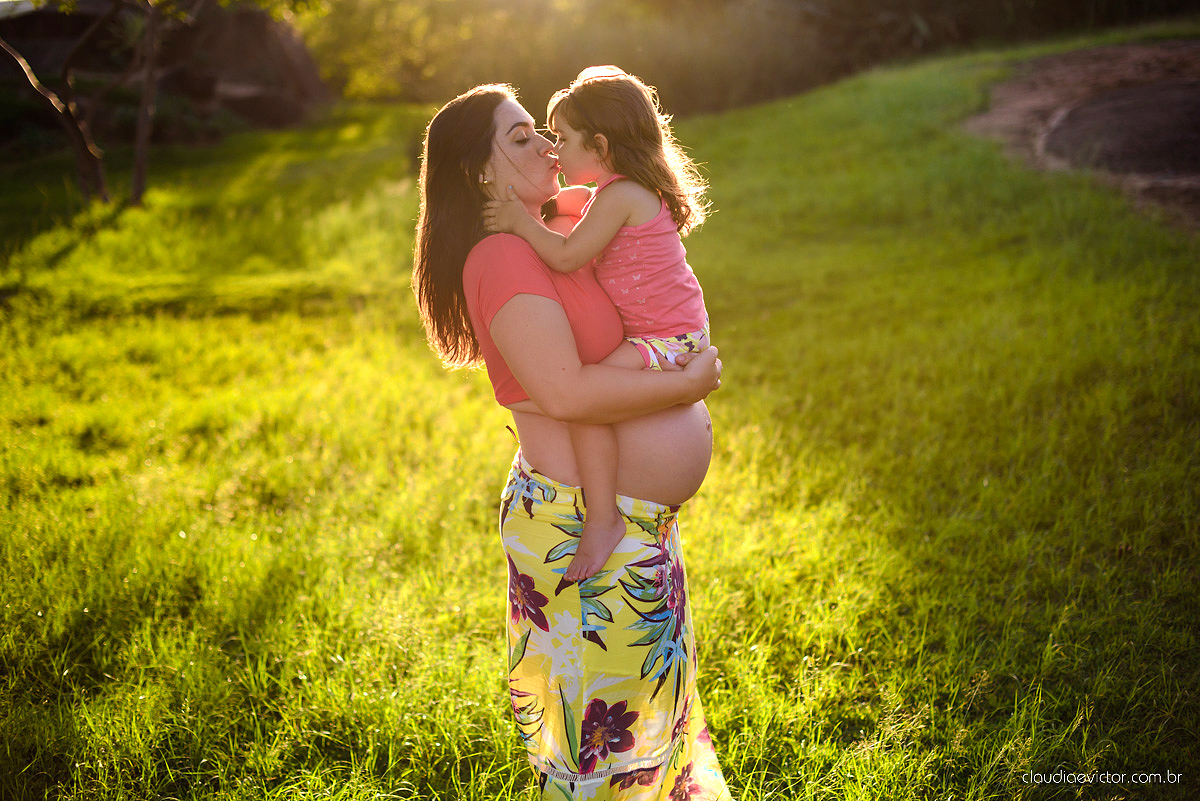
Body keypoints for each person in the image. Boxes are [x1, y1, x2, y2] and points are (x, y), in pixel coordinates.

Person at [412, 83, 732, 799]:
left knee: (649, 741)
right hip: (579, 524)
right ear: (481, 174)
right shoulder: (502, 257)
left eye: (544, 132)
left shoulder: (563, 233)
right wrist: (689, 383)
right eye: (521, 138)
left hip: (627, 524)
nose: (547, 146)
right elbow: (565, 394)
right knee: (610, 758)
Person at [483, 66, 711, 585]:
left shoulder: (620, 197)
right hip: (670, 334)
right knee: (591, 394)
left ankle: (603, 518)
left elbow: (566, 257)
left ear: (600, 144)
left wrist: (521, 222)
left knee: (588, 402)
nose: (552, 150)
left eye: (561, 138)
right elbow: (577, 212)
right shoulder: (619, 193)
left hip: (664, 342)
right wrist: (552, 206)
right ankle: (606, 515)